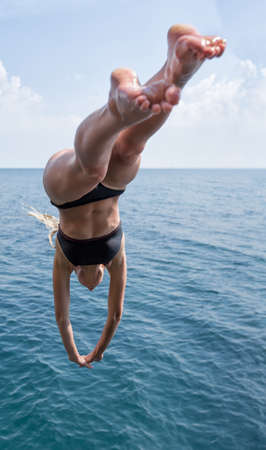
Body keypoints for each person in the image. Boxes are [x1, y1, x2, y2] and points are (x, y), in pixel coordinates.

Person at [43, 24, 226, 368]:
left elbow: (62, 319)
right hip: (113, 188)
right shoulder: (115, 258)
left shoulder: (64, 260)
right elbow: (114, 315)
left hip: (67, 193)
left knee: (90, 169)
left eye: (85, 287)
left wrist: (79, 355)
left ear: (79, 277)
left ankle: (116, 109)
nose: (91, 287)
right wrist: (97, 351)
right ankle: (179, 69)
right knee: (129, 149)